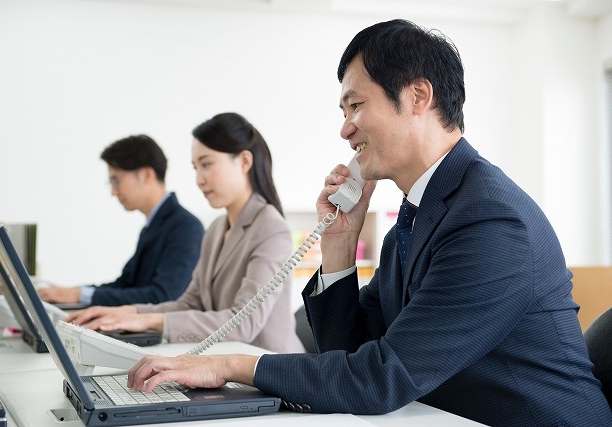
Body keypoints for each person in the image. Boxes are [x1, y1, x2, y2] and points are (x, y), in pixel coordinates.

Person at [124, 20, 612, 426]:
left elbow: (382, 377)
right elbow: (350, 350)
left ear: (418, 96)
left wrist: (230, 365)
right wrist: (339, 243)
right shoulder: (419, 211)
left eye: (356, 105)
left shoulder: (491, 221)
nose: (344, 128)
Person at [67, 113, 305, 354]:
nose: (199, 179)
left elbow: (243, 323)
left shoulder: (272, 229)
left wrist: (150, 321)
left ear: (244, 162)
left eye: (207, 164)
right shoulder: (215, 229)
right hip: (225, 366)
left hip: (272, 372)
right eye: (195, 168)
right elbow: (191, 303)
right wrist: (127, 313)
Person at [37, 135, 204, 307]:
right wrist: (74, 292)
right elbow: (125, 284)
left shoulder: (185, 227)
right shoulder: (154, 226)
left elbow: (163, 296)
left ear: (146, 175)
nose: (113, 192)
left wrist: (81, 294)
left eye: (116, 180)